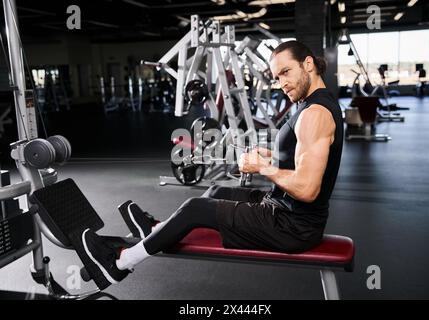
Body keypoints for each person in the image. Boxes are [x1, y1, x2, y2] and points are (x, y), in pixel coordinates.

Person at [81, 40, 344, 285]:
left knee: (195, 208)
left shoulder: (314, 114)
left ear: (308, 64)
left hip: (292, 227)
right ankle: (159, 229)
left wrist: (262, 168)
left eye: (286, 72)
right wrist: (272, 155)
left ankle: (119, 263)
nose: (282, 83)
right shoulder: (310, 103)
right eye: (277, 77)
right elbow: (303, 156)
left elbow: (309, 189)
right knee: (217, 191)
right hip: (285, 209)